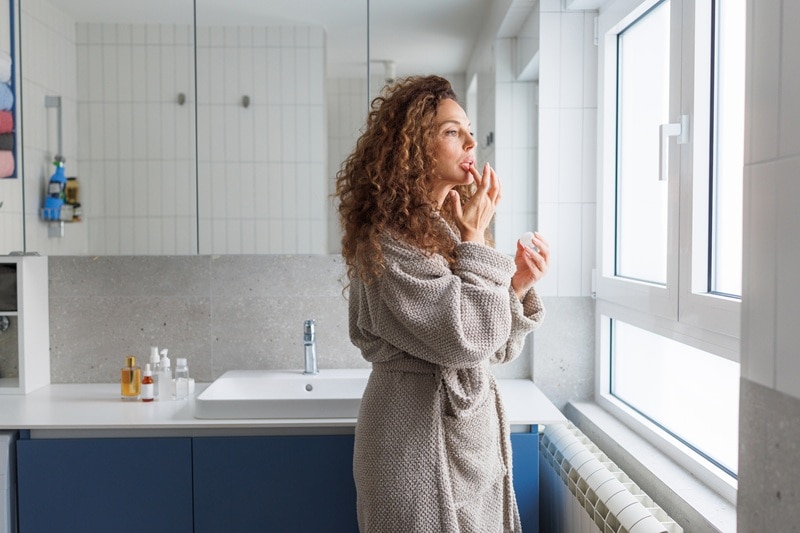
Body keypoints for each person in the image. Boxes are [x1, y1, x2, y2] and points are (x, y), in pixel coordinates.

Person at [335, 75, 550, 533]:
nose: (471, 140)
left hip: (468, 445)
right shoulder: (387, 239)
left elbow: (491, 348)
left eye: (468, 129)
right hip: (412, 445)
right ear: (411, 147)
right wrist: (476, 242)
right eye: (452, 131)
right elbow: (464, 337)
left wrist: (514, 285)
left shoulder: (446, 229)